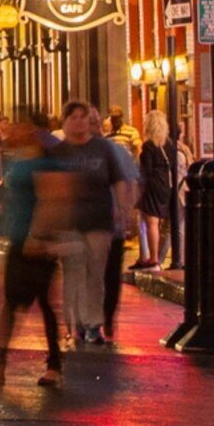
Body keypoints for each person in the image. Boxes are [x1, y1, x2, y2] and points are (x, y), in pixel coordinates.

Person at [0, 110, 79, 385]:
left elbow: (53, 198)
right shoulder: (23, 157)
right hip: (21, 238)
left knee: (36, 304)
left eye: (19, 124)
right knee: (20, 303)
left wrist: (38, 235)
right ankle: (9, 364)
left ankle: (43, 364)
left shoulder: (45, 161)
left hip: (35, 241)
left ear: (32, 129)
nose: (12, 129)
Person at [59, 103, 135, 345]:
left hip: (99, 219)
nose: (80, 122)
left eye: (84, 117)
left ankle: (93, 324)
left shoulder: (103, 149)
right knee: (74, 272)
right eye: (75, 117)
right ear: (65, 121)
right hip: (69, 221)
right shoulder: (59, 151)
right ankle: (75, 322)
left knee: (95, 273)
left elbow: (119, 179)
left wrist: (123, 209)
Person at [134, 101, 180, 270]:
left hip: (153, 185)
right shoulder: (170, 144)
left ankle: (153, 259)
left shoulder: (148, 146)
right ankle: (153, 257)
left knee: (151, 222)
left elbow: (146, 170)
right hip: (165, 185)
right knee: (158, 223)